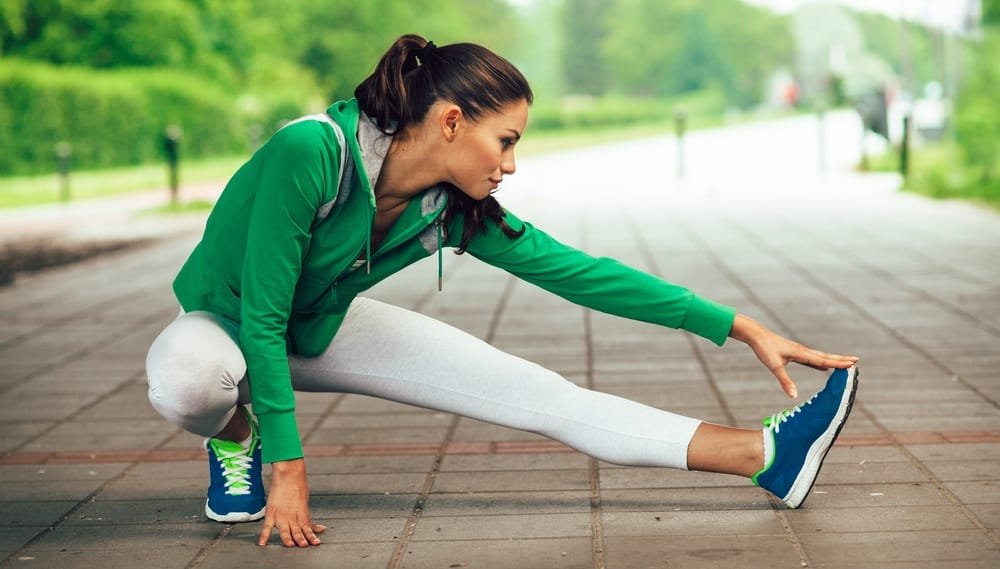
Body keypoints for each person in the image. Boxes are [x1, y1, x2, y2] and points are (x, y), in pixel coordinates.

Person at [145, 34, 860, 549]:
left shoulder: (448, 205)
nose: (512, 164)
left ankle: (767, 456)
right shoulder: (313, 153)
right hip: (226, 322)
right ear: (452, 121)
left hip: (319, 327)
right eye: (506, 140)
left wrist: (736, 325)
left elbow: (582, 273)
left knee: (549, 396)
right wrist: (288, 469)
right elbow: (262, 317)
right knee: (188, 383)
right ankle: (239, 437)